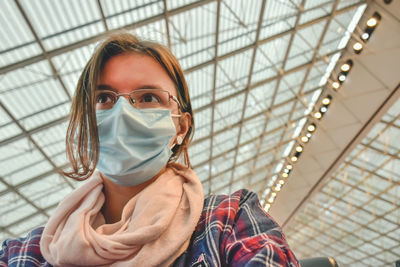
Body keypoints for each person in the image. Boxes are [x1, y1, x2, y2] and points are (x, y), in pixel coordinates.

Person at [0, 33, 299, 267]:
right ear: (85, 123)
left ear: (180, 128)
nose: (122, 113)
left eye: (148, 98)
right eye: (104, 98)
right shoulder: (25, 254)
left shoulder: (227, 222)